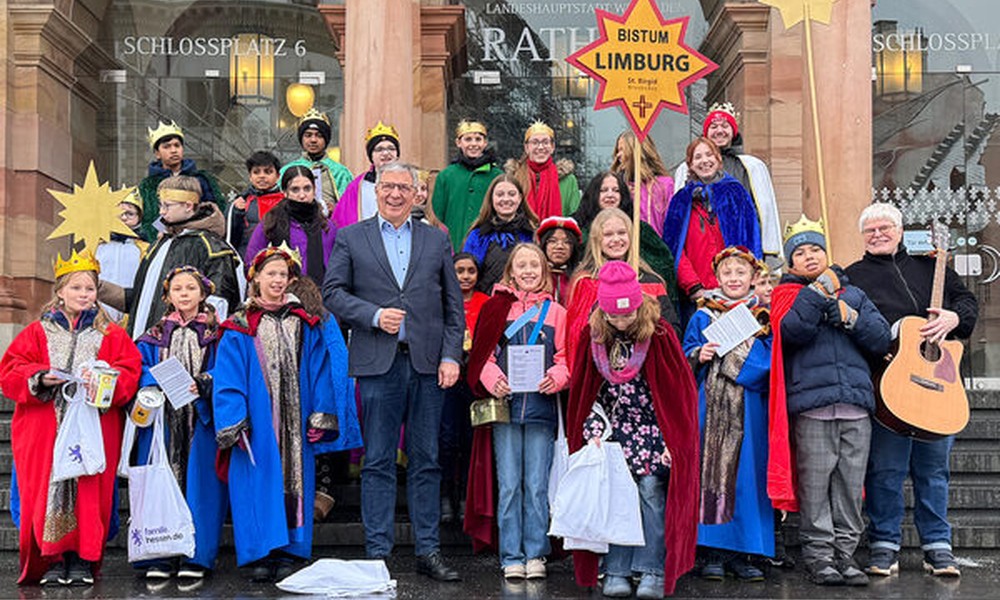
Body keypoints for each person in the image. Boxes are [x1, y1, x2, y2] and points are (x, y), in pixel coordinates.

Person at [323, 161, 464, 581]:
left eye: (405, 187)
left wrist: (451, 356)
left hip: (426, 363)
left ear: (418, 193)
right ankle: (377, 552)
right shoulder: (351, 237)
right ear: (377, 190)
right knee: (378, 460)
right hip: (377, 363)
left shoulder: (436, 240)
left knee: (427, 460)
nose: (396, 194)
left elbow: (452, 308)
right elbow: (332, 293)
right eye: (389, 187)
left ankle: (428, 550)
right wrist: (371, 314)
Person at [845, 203, 978, 578]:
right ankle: (884, 544)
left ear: (901, 230)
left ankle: (938, 546)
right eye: (870, 230)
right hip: (890, 389)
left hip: (939, 388)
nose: (878, 234)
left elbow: (966, 301)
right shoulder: (854, 277)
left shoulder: (931, 267)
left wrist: (955, 317)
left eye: (885, 227)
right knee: (885, 470)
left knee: (933, 472)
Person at [0, 249, 141, 586]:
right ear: (60, 291)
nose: (83, 295)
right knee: (48, 489)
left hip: (93, 426)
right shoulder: (36, 332)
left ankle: (83, 559)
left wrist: (107, 380)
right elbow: (10, 371)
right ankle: (52, 559)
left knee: (89, 490)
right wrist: (40, 376)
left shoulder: (111, 334)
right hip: (46, 427)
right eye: (76, 288)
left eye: (90, 289)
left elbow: (131, 370)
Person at [566, 261, 699, 599]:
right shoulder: (594, 337)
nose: (622, 322)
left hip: (653, 430)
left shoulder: (659, 335)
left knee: (651, 496)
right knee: (615, 500)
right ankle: (616, 569)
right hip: (613, 433)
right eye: (615, 317)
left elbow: (676, 391)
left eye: (627, 316)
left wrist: (674, 439)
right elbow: (587, 391)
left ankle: (651, 569)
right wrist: (592, 431)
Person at [769, 216, 890, 586]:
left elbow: (881, 339)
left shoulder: (854, 294)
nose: (809, 257)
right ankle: (819, 555)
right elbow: (791, 332)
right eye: (800, 253)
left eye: (816, 249)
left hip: (855, 405)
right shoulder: (787, 296)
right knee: (816, 486)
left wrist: (851, 317)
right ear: (790, 264)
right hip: (812, 407)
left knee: (851, 488)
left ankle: (846, 554)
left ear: (827, 253)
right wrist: (817, 294)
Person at [212, 244, 343, 582]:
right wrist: (234, 419)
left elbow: (319, 368)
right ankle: (260, 551)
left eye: (283, 275)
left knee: (296, 479)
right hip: (257, 424)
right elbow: (228, 376)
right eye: (271, 273)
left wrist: (321, 413)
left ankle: (291, 550)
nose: (278, 280)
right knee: (256, 480)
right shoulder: (239, 325)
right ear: (255, 278)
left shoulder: (305, 323)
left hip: (296, 421)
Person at [464, 243, 569, 580]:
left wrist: (557, 377)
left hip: (541, 411)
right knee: (509, 485)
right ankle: (511, 554)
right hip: (506, 411)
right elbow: (483, 357)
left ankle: (536, 552)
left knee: (536, 485)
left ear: (544, 271)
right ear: (511, 271)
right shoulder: (496, 309)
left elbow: (566, 358)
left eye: (534, 265)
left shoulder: (557, 312)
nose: (527, 271)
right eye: (521, 265)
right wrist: (493, 379)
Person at [681, 247, 773, 582]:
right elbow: (684, 355)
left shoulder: (763, 316)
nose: (733, 279)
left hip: (749, 408)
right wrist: (698, 355)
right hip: (711, 405)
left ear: (752, 278)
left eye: (740, 273)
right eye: (727, 274)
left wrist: (729, 360)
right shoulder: (702, 315)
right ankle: (712, 553)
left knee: (747, 477)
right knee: (712, 473)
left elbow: (768, 360)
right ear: (716, 279)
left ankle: (743, 552)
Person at [133, 266, 225, 581]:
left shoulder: (218, 334)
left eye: (190, 288)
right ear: (168, 296)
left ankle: (195, 556)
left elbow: (226, 369)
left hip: (201, 421)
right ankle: (158, 554)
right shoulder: (153, 335)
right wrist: (154, 381)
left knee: (201, 487)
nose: (184, 294)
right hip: (163, 423)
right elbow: (138, 368)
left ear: (203, 293)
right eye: (177, 289)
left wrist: (204, 383)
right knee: (160, 483)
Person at [101, 175, 241, 338]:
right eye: (161, 205)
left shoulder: (211, 248)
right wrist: (99, 288)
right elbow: (139, 300)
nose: (161, 211)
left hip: (184, 347)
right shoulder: (160, 244)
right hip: (145, 348)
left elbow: (219, 304)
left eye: (167, 206)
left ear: (188, 206)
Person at [565, 208, 679, 373]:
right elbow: (577, 336)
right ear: (597, 240)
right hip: (602, 371)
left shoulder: (651, 281)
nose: (616, 239)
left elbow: (671, 329)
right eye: (608, 235)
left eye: (621, 233)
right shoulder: (585, 282)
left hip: (646, 369)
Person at [663, 137, 762, 322]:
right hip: (697, 296)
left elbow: (750, 238)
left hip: (734, 292)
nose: (704, 161)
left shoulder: (736, 193)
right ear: (690, 165)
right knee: (702, 348)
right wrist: (693, 287)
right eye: (697, 157)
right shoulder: (680, 201)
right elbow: (674, 249)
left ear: (718, 159)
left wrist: (745, 280)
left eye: (709, 155)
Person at [674, 103, 782, 264]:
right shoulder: (686, 168)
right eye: (713, 126)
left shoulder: (753, 166)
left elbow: (765, 211)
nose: (719, 130)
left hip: (741, 246)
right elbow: (679, 216)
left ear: (733, 131)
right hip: (701, 247)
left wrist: (769, 253)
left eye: (725, 125)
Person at [573, 170, 678, 304]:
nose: (610, 194)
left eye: (616, 190)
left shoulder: (641, 229)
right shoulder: (580, 230)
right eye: (604, 190)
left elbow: (664, 264)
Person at [439, 253, 489, 523]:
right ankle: (446, 494)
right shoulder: (443, 302)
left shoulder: (486, 302)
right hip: (447, 380)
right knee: (447, 438)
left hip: (476, 381)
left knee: (471, 440)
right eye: (460, 271)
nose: (466, 276)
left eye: (471, 271)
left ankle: (467, 498)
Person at [245, 166, 337, 288]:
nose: (302, 195)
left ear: (314, 190)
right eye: (295, 190)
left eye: (307, 189)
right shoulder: (270, 223)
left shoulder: (328, 227)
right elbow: (251, 265)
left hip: (322, 298)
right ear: (285, 192)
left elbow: (337, 267)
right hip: (281, 298)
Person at [137, 120, 224, 241]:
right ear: (157, 153)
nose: (173, 150)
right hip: (162, 241)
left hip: (196, 239)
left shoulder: (202, 180)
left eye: (177, 145)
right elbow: (147, 219)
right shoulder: (148, 185)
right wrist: (160, 234)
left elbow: (213, 211)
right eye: (167, 146)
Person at [432, 119, 505, 252]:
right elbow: (437, 216)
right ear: (458, 143)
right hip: (453, 245)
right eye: (468, 139)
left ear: (485, 143)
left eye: (478, 139)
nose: (473, 144)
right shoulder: (446, 176)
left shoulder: (497, 176)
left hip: (487, 246)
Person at [462, 174, 538, 294]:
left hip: (524, 306)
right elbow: (466, 272)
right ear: (491, 199)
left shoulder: (532, 234)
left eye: (512, 194)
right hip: (485, 303)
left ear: (520, 198)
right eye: (500, 194)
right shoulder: (478, 235)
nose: (506, 199)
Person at [505, 121, 580, 221]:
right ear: (526, 147)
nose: (540, 147)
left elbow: (575, 218)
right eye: (535, 142)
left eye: (545, 142)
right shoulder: (513, 178)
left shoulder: (568, 180)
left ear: (552, 147)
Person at [332, 120, 401, 228]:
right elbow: (342, 220)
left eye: (391, 148)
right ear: (371, 157)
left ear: (397, 154)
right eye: (379, 149)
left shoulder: (409, 181)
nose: (386, 153)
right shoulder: (358, 186)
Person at [281, 108, 353, 211]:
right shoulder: (286, 170)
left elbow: (350, 206)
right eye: (308, 135)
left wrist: (336, 209)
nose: (313, 140)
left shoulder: (341, 172)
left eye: (319, 136)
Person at [95, 190, 149, 323]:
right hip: (98, 316)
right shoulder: (95, 247)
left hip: (132, 315)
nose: (123, 218)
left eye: (129, 214)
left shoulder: (146, 249)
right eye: (118, 213)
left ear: (139, 217)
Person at [610, 131, 674, 237]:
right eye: (617, 150)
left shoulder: (664, 185)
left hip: (656, 249)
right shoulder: (618, 186)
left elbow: (671, 225)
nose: (618, 155)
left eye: (622, 149)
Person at [227, 150, 285, 259]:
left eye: (268, 172)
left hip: (279, 260)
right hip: (247, 260)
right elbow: (231, 238)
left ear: (278, 176)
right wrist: (236, 213)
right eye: (256, 172)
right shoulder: (240, 202)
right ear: (250, 176)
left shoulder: (286, 202)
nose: (262, 176)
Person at [535, 216, 583, 304]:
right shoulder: (533, 275)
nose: (559, 246)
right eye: (553, 241)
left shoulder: (581, 278)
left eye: (567, 242)